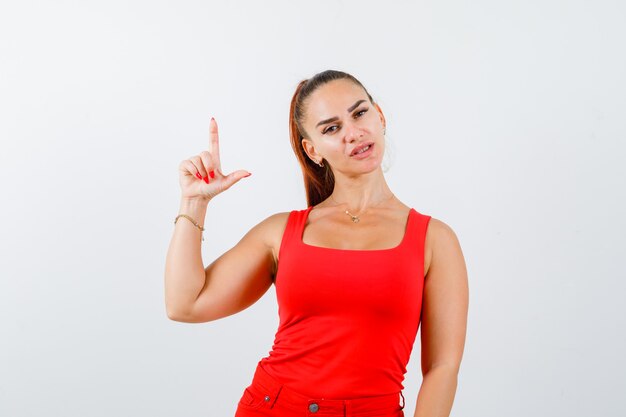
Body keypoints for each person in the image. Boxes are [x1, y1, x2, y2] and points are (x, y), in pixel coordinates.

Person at [164, 69, 469, 417]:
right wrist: (194, 201)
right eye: (331, 128)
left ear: (380, 116)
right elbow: (185, 304)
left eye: (360, 113)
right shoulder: (282, 232)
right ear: (312, 150)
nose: (354, 133)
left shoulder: (435, 240)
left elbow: (442, 367)